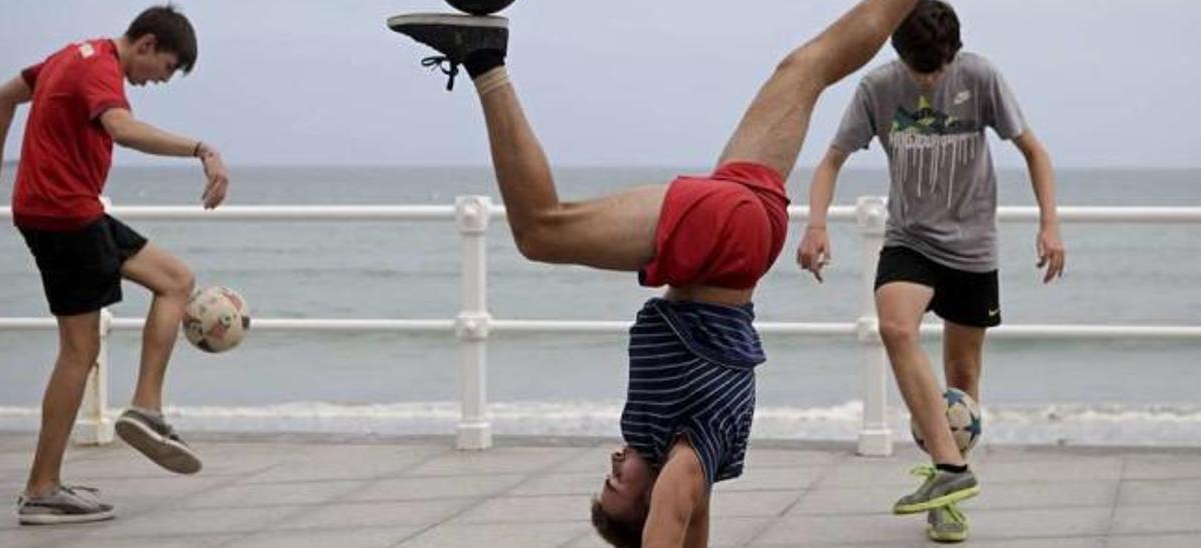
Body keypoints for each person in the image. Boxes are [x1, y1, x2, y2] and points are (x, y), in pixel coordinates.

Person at [388, 1, 920, 545]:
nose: (615, 464)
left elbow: (691, 527)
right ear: (653, 500)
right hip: (721, 243)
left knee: (806, 69)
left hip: (747, 231)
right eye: (618, 483)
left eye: (608, 476)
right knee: (542, 231)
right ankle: (484, 61)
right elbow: (674, 517)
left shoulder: (672, 450)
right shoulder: (688, 461)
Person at [794, 0, 1065, 542]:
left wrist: (1049, 224)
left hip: (972, 247)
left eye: (937, 68)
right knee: (894, 327)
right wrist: (816, 224)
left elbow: (1033, 150)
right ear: (897, 50)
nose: (928, 78)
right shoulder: (877, 88)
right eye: (919, 69)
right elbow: (830, 160)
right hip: (910, 239)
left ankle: (948, 493)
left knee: (962, 383)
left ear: (953, 54)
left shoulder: (981, 76)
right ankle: (951, 468)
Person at [0, 4, 230, 525]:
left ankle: (145, 408)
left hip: (68, 210)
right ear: (147, 44)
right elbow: (122, 128)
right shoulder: (99, 68)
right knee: (78, 353)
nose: (161, 81)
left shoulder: (71, 55)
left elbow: (0, 98)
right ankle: (41, 488)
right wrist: (202, 149)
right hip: (65, 218)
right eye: (166, 69)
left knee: (175, 279)